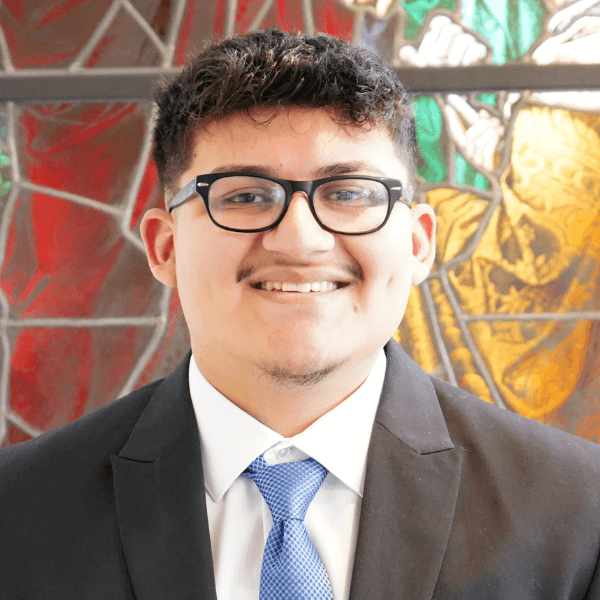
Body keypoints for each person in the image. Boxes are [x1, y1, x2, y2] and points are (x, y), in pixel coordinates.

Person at [0, 28, 599, 600]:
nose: (301, 240)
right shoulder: (19, 510)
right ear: (164, 247)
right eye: (245, 195)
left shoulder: (578, 510)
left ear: (418, 244)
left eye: (349, 193)